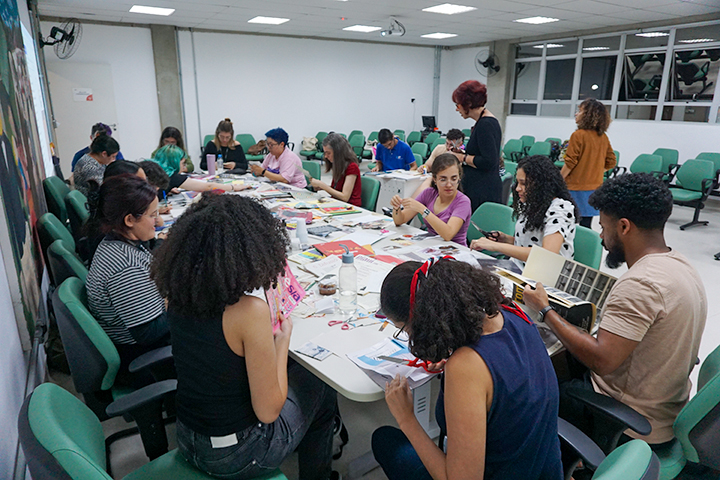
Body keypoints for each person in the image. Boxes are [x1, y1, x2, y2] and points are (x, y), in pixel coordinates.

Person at [150, 194, 338, 480]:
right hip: (237, 454)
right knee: (321, 383)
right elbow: (268, 412)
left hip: (187, 437)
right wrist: (282, 340)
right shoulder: (248, 311)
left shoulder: (177, 295)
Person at [523, 173, 707, 446]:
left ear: (623, 227)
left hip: (629, 421)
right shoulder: (679, 264)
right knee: (555, 361)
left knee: (526, 392)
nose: (600, 235)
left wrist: (546, 310)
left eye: (604, 227)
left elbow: (601, 361)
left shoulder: (640, 284)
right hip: (663, 400)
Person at [372, 259, 562, 480]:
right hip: (542, 469)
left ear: (422, 321)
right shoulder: (513, 314)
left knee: (384, 440)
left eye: (403, 329)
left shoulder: (466, 367)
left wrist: (406, 418)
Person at [86, 175, 170, 384]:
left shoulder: (118, 243)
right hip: (144, 355)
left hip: (141, 343)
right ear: (129, 220)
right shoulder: (125, 267)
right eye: (152, 215)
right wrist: (177, 301)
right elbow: (148, 332)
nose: (157, 221)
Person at [470, 155, 577, 269]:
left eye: (524, 183)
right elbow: (531, 244)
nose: (517, 188)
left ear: (541, 184)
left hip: (543, 277)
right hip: (519, 268)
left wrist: (496, 246)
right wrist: (506, 239)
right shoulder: (532, 203)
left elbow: (547, 255)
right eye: (518, 183)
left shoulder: (560, 209)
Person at [391, 153, 471, 245]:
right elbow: (400, 221)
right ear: (434, 179)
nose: (449, 185)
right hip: (431, 245)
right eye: (443, 179)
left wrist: (423, 210)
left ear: (459, 178)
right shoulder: (429, 193)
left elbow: (448, 234)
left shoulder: (463, 201)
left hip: (454, 251)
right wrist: (396, 208)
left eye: (454, 179)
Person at [562, 98, 617, 228]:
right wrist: (595, 171)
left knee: (568, 223)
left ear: (588, 115)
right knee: (585, 225)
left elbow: (570, 163)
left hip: (575, 187)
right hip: (594, 188)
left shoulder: (578, 135)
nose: (576, 114)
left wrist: (558, 179)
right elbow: (611, 162)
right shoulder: (602, 136)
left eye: (580, 111)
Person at [451, 80, 502, 212]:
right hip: (479, 187)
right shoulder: (483, 122)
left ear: (468, 104)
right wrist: (463, 155)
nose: (457, 109)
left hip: (482, 191)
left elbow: (488, 161)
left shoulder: (486, 124)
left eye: (458, 105)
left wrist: (461, 158)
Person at [153, 144, 249, 194]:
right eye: (182, 163)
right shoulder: (173, 177)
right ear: (174, 162)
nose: (184, 167)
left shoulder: (156, 173)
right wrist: (233, 187)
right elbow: (208, 187)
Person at [309, 133, 362, 207]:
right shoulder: (337, 164)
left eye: (328, 153)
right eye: (325, 153)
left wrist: (324, 186)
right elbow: (337, 189)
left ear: (338, 153)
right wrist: (322, 187)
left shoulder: (352, 167)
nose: (326, 156)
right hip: (337, 203)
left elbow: (345, 197)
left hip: (349, 206)